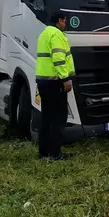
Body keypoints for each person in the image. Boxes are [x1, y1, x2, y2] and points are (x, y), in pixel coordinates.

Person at [35, 10, 75, 159]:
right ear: (60, 20)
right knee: (58, 118)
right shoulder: (57, 34)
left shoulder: (44, 33)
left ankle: (44, 152)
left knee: (46, 117)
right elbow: (59, 59)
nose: (65, 24)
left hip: (43, 81)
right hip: (55, 82)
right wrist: (65, 79)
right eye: (65, 21)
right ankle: (56, 153)